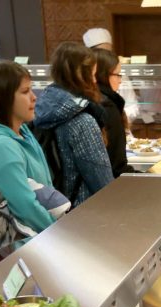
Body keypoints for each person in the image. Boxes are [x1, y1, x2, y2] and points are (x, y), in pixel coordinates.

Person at [0, 60, 68, 248]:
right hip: (24, 247)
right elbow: (25, 206)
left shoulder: (23, 130)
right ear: (4, 98)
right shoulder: (0, 146)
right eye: (25, 92)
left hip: (42, 239)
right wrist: (60, 232)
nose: (34, 97)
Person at [33, 42, 114, 206]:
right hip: (82, 211)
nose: (94, 81)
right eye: (92, 74)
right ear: (81, 75)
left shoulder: (40, 109)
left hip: (51, 205)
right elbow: (102, 183)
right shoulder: (82, 121)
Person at [93, 47, 134, 178]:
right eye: (118, 74)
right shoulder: (107, 107)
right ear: (103, 75)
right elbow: (117, 166)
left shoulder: (87, 101)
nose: (120, 80)